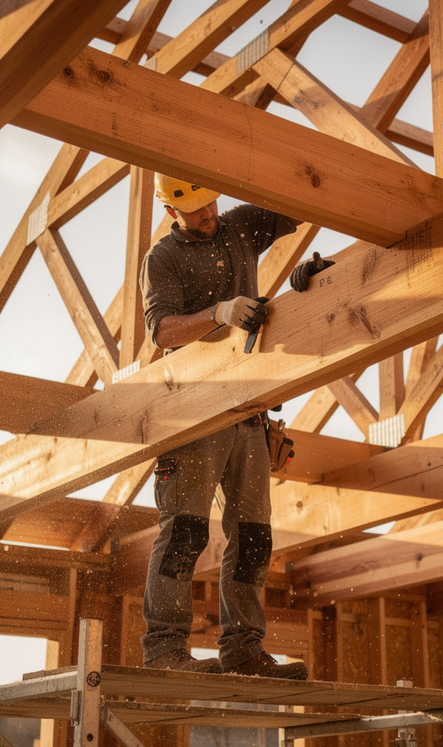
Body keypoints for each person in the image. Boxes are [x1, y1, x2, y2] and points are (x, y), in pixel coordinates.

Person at [139, 173, 309, 679]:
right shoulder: (162, 258)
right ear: (171, 212)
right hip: (192, 409)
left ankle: (243, 649)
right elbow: (162, 328)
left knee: (254, 536)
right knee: (185, 531)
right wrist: (218, 312)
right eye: (195, 211)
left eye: (212, 204)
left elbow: (304, 196)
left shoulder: (240, 227)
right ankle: (166, 649)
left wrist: (318, 278)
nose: (209, 216)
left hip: (249, 409)